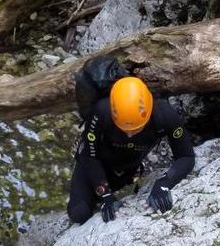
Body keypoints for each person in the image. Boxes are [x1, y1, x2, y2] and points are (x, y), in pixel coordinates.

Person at [67, 75, 195, 224]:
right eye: (123, 129)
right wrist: (105, 194)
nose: (129, 134)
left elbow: (186, 156)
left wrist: (164, 183)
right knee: (79, 213)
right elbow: (90, 156)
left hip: (126, 169)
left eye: (136, 129)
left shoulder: (164, 115)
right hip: (94, 163)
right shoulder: (101, 111)